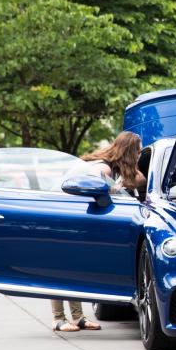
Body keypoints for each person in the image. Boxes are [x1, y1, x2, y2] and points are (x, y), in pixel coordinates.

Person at [52, 131, 146, 332]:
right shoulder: (103, 168)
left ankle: (77, 318)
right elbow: (94, 190)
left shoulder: (111, 166)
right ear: (129, 152)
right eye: (137, 151)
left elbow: (141, 179)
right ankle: (58, 319)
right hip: (66, 216)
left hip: (75, 217)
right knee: (62, 267)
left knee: (74, 267)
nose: (139, 155)